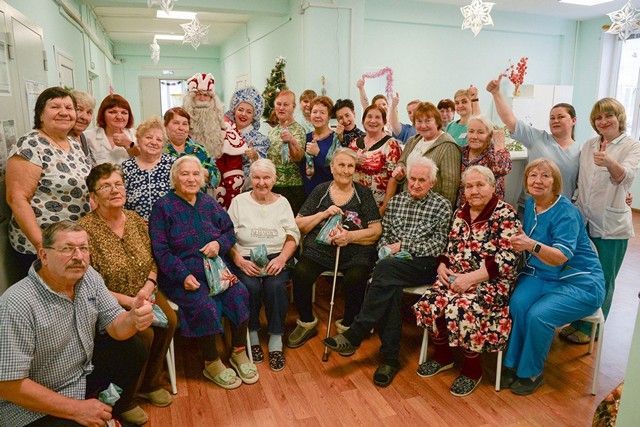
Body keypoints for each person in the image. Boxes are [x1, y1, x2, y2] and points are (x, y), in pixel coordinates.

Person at [0, 221, 153, 426]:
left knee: (133, 348)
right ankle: (95, 415)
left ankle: (109, 410)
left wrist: (133, 318)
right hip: (32, 406)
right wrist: (76, 409)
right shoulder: (17, 303)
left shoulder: (88, 277)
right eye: (67, 249)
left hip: (79, 377)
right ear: (43, 255)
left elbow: (116, 325)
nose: (79, 257)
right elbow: (8, 385)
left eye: (84, 248)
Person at [324, 157, 451, 387]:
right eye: (412, 179)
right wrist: (389, 250)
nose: (416, 184)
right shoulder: (396, 202)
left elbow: (438, 246)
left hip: (423, 264)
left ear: (432, 182)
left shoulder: (441, 205)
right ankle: (389, 360)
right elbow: (385, 237)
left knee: (384, 271)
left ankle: (358, 331)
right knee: (389, 285)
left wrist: (402, 246)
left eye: (422, 180)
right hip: (392, 264)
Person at [149, 156, 258, 389]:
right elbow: (161, 250)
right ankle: (211, 361)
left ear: (202, 177)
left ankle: (238, 352)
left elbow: (229, 232)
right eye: (185, 174)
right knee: (204, 304)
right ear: (174, 178)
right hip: (183, 276)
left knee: (240, 293)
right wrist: (182, 276)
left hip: (217, 271)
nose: (191, 179)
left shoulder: (208, 202)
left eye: (195, 174)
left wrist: (219, 244)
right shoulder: (162, 207)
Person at [412, 166, 520, 397]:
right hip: (456, 276)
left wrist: (471, 278)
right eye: (469, 186)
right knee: (430, 302)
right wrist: (442, 265)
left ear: (492, 186)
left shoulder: (505, 214)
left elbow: (509, 259)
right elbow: (449, 246)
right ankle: (444, 357)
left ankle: (472, 370)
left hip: (491, 282)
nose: (474, 191)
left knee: (462, 308)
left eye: (480, 185)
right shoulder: (460, 212)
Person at [79, 163, 178, 409]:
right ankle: (126, 398)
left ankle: (150, 383)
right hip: (110, 300)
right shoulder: (84, 230)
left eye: (118, 184)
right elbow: (88, 282)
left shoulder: (135, 220)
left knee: (170, 321)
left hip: (145, 290)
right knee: (144, 334)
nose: (115, 190)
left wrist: (149, 286)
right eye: (105, 186)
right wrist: (129, 301)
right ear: (93, 197)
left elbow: (153, 260)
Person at [503, 158, 605, 395]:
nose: (538, 181)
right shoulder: (531, 203)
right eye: (533, 175)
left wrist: (530, 245)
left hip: (580, 281)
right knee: (518, 304)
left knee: (539, 315)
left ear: (555, 182)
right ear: (526, 181)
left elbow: (560, 257)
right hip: (542, 273)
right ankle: (513, 362)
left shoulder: (567, 212)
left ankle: (531, 372)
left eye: (545, 176)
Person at [287, 148, 382, 349]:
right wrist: (323, 214)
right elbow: (299, 223)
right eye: (341, 165)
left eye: (350, 166)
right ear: (332, 167)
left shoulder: (363, 194)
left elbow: (376, 230)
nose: (346, 170)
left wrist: (350, 237)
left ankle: (348, 328)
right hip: (319, 250)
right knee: (301, 273)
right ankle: (306, 322)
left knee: (356, 277)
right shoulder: (320, 191)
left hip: (355, 251)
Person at [566, 98, 640, 343]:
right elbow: (581, 179)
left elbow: (625, 177)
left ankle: (591, 329)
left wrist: (609, 161)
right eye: (598, 117)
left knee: (604, 278)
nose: (603, 121)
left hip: (611, 226)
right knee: (582, 274)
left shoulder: (631, 145)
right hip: (584, 221)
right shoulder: (589, 145)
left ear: (619, 118)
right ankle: (578, 320)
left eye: (609, 116)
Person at [6, 87, 91, 276]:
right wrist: (41, 245)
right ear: (40, 114)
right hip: (42, 247)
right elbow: (17, 198)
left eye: (69, 107)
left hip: (72, 243)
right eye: (55, 107)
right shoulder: (30, 144)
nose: (64, 112)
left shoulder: (73, 143)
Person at [228, 159, 300, 371]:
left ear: (274, 179)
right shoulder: (239, 202)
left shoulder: (283, 202)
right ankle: (252, 336)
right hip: (245, 256)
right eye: (257, 177)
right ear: (250, 178)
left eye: (266, 178)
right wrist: (238, 260)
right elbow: (227, 235)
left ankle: (276, 340)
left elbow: (293, 235)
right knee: (250, 287)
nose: (261, 182)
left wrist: (282, 258)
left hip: (276, 256)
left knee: (275, 286)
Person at [486, 75, 579, 210]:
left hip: (561, 210)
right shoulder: (537, 138)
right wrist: (496, 93)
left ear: (573, 120)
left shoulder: (581, 150)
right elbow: (509, 120)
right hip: (532, 207)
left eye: (560, 117)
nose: (555, 121)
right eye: (552, 118)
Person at [394, 102, 462, 207]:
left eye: (428, 121)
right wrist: (400, 170)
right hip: (407, 204)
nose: (423, 125)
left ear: (437, 122)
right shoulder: (412, 141)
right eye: (419, 121)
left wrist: (443, 210)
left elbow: (450, 186)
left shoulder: (448, 146)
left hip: (431, 208)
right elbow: (402, 162)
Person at [348, 104, 402, 215]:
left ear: (384, 122)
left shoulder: (391, 144)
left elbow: (393, 179)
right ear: (363, 120)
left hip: (378, 205)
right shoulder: (354, 143)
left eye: (378, 117)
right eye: (369, 116)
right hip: (353, 202)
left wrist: (384, 207)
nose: (373, 121)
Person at [122, 117, 175, 221]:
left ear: (163, 144)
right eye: (149, 137)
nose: (154, 142)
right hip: (136, 226)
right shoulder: (126, 167)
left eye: (159, 139)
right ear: (138, 139)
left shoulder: (173, 164)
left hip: (169, 225)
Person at [266, 89, 307, 214]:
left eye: (286, 105)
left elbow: (298, 157)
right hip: (273, 186)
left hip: (292, 188)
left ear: (293, 107)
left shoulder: (299, 130)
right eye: (279, 104)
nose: (281, 108)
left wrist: (291, 141)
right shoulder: (272, 131)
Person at [457, 115, 512, 207]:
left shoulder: (494, 153)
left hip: (489, 208)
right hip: (465, 206)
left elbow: (503, 169)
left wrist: (499, 142)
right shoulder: (462, 151)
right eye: (471, 131)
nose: (474, 136)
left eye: (480, 132)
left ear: (490, 135)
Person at [163, 106, 221, 191]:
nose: (181, 128)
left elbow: (217, 179)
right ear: (165, 125)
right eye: (176, 123)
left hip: (196, 198)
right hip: (168, 198)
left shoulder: (199, 150)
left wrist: (203, 172)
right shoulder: (159, 150)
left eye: (185, 124)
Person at [224, 86, 271, 187]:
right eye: (240, 110)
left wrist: (255, 156)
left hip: (246, 188)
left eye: (249, 112)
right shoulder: (223, 133)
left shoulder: (261, 140)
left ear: (254, 116)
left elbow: (263, 166)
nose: (243, 114)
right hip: (222, 186)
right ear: (234, 111)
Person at [182, 72, 226, 159]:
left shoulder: (219, 118)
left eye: (206, 95)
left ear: (211, 98)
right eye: (198, 94)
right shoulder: (183, 116)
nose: (202, 99)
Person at [84, 93, 138, 165]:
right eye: (113, 112)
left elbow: (145, 161)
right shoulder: (88, 137)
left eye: (124, 113)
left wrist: (128, 144)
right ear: (103, 115)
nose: (119, 117)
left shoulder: (136, 135)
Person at [301, 95, 336, 195]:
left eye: (322, 112)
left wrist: (318, 154)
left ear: (329, 117)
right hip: (306, 194)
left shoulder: (336, 139)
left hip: (327, 193)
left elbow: (336, 170)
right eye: (314, 112)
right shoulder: (305, 138)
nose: (317, 115)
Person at [69, 89, 96, 163]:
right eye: (79, 109)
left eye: (89, 112)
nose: (84, 117)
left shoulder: (82, 137)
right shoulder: (60, 138)